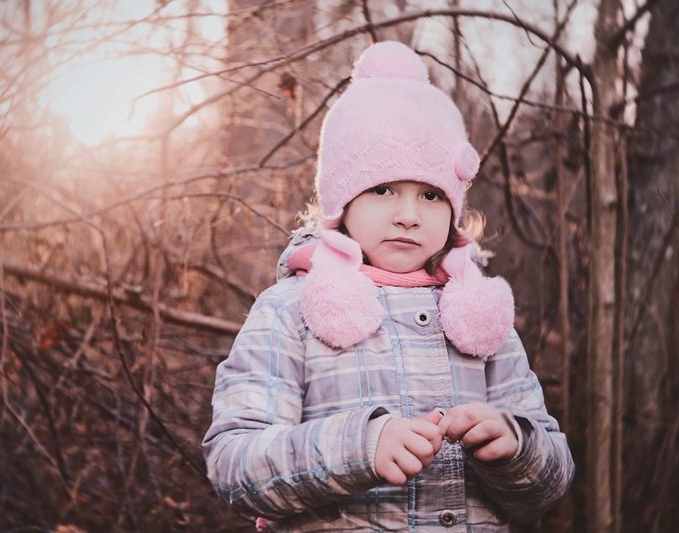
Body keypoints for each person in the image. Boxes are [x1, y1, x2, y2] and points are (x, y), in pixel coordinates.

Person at [202, 41, 574, 532]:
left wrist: (516, 446)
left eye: (431, 195)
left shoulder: (479, 314)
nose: (408, 215)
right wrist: (359, 446)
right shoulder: (289, 310)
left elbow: (551, 483)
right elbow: (233, 463)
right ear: (342, 201)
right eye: (382, 189)